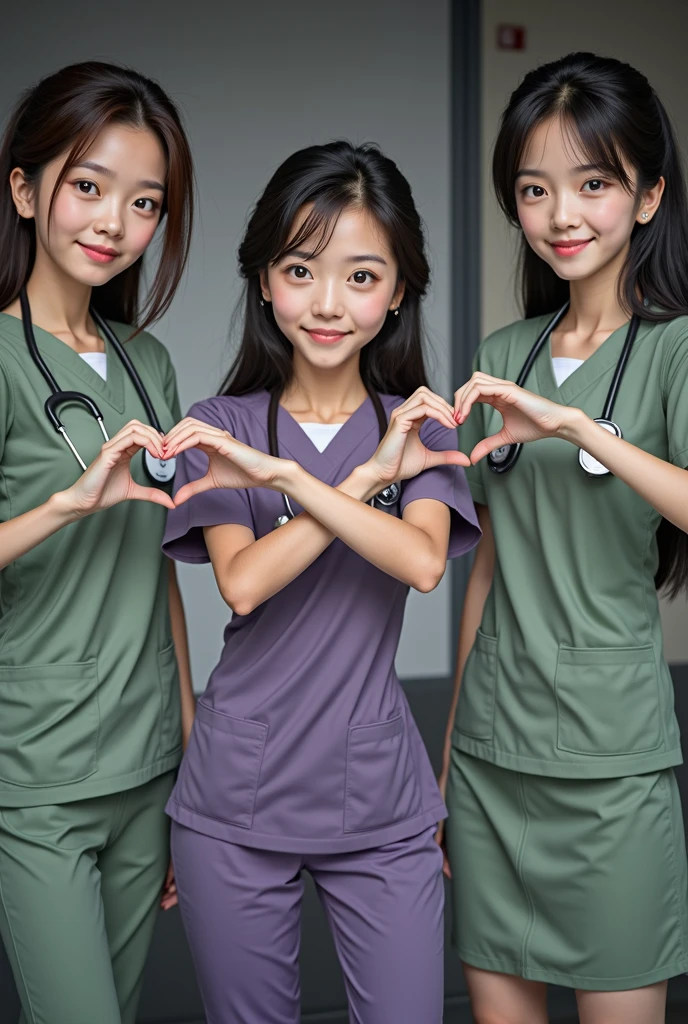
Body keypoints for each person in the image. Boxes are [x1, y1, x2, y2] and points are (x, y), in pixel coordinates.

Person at [161, 140, 480, 1024]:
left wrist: (297, 482)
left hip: (378, 800)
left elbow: (420, 563)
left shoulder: (422, 427)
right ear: (264, 280)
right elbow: (244, 582)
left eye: (362, 275)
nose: (328, 304)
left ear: (400, 290)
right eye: (301, 270)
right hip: (234, 800)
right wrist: (354, 481)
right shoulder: (218, 426)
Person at [440, 51, 688, 1024]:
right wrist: (453, 741)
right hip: (493, 759)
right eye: (534, 188)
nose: (561, 214)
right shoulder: (504, 356)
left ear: (649, 193)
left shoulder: (672, 348)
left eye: (593, 183)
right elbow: (488, 566)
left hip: (612, 765)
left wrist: (581, 427)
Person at [0, 61, 195, 1024]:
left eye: (144, 202)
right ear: (26, 189)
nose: (114, 223)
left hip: (146, 763)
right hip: (35, 773)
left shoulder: (146, 362)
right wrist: (66, 505)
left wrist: (189, 749)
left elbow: (159, 567)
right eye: (88, 186)